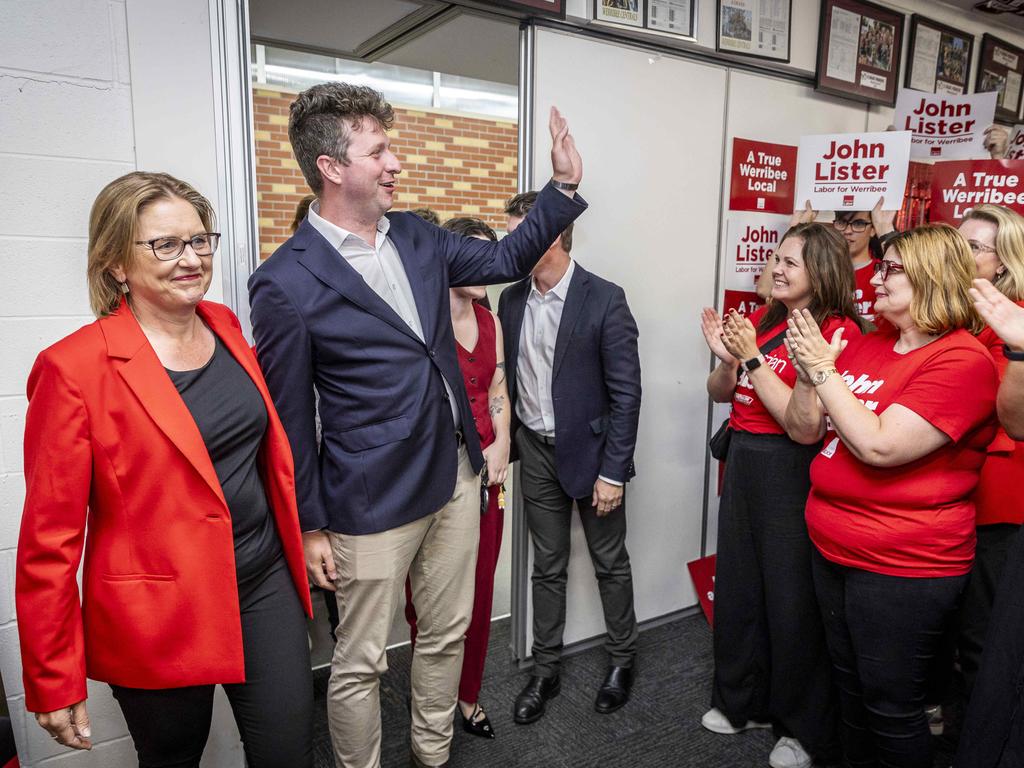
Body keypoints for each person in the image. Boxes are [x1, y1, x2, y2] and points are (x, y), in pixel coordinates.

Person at [248, 82, 585, 768]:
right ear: (332, 168)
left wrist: (561, 186)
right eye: (380, 150)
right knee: (361, 660)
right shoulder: (284, 281)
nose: (396, 162)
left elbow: (503, 259)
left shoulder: (420, 237)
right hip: (366, 500)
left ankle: (432, 755)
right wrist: (310, 523)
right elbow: (287, 418)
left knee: (446, 633)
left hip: (455, 477)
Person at [16, 171, 314, 767]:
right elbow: (49, 540)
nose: (191, 259)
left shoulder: (226, 326)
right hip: (160, 611)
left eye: (200, 240)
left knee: (289, 751)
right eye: (165, 245)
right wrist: (53, 677)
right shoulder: (73, 368)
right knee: (172, 759)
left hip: (261, 579)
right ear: (116, 264)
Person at [785, 224, 998, 768]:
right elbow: (806, 432)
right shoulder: (871, 343)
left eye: (890, 269)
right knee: (850, 689)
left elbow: (879, 447)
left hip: (903, 566)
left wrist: (824, 369)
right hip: (835, 549)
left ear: (930, 276)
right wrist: (813, 378)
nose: (875, 279)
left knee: (891, 705)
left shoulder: (961, 360)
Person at [700, 223, 863, 768]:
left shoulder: (835, 331)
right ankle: (743, 701)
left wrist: (751, 360)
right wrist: (727, 359)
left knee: (791, 600)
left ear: (820, 270)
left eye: (790, 261)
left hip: (791, 467)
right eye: (775, 258)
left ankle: (800, 728)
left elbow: (803, 427)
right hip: (745, 460)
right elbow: (720, 393)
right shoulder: (768, 319)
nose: (776, 267)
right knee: (742, 586)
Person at [498, 191, 642, 724]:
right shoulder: (511, 301)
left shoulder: (604, 298)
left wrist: (613, 471)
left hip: (594, 454)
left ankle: (624, 660)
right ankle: (546, 670)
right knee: (547, 566)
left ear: (554, 235)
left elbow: (627, 395)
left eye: (521, 233)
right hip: (534, 450)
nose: (512, 244)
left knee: (610, 563)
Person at [403, 216, 510, 740]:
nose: (488, 263)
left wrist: (502, 445)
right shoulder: (421, 325)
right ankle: (431, 698)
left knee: (480, 591)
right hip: (429, 481)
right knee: (427, 599)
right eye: (477, 253)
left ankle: (467, 696)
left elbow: (498, 390)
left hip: (487, 477)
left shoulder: (491, 322)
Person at [956, 205, 1024, 701]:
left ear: (1003, 262)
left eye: (973, 247)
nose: (960, 252)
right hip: (952, 487)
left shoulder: (1014, 322)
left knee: (984, 630)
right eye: (956, 241)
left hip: (999, 497)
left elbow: (1012, 419)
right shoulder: (953, 310)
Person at [790, 198, 896, 320]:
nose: (848, 231)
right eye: (841, 222)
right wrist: (794, 229)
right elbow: (764, 289)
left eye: (858, 224)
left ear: (873, 229)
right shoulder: (819, 270)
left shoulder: (883, 272)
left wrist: (885, 228)